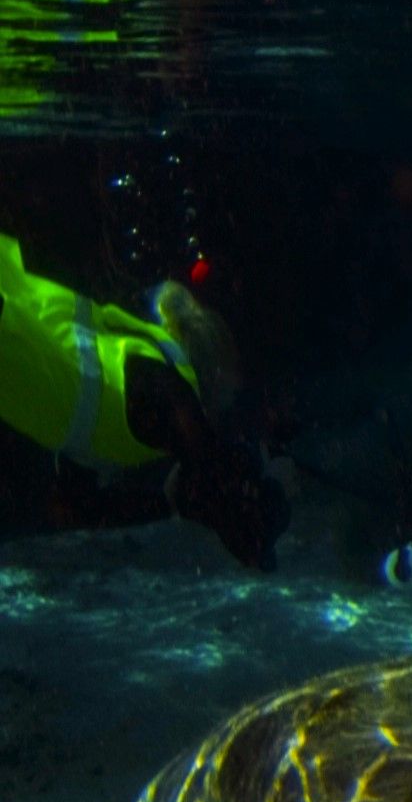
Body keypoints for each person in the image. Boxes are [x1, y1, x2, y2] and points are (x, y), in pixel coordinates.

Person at [0, 232, 283, 568]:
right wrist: (274, 488)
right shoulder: (169, 391)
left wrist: (166, 501)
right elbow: (250, 543)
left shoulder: (127, 363)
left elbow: (75, 508)